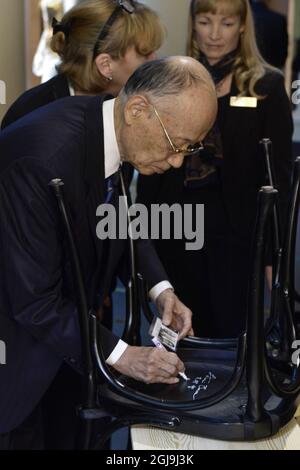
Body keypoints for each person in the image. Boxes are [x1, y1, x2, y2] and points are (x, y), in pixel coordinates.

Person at [0, 56, 217, 450]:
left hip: (71, 346)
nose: (178, 162)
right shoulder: (41, 160)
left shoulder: (113, 128)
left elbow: (117, 215)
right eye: (176, 145)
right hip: (18, 358)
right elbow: (34, 303)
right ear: (138, 109)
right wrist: (123, 356)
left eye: (191, 148)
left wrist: (161, 290)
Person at [137, 0, 293, 338]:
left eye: (225, 23)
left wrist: (274, 253)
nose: (215, 34)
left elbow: (277, 177)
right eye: (206, 22)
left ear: (241, 26)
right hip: (174, 223)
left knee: (230, 330)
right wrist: (141, 232)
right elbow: (150, 161)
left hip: (235, 230)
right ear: (194, 24)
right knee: (177, 325)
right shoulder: (170, 80)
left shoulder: (265, 86)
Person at [1, 0, 163, 129]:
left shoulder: (125, 106)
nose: (154, 59)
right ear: (105, 65)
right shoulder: (37, 115)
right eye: (144, 53)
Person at [250, 0, 288, 70]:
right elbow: (283, 55)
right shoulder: (279, 19)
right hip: (273, 71)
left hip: (248, 69)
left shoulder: (243, 18)